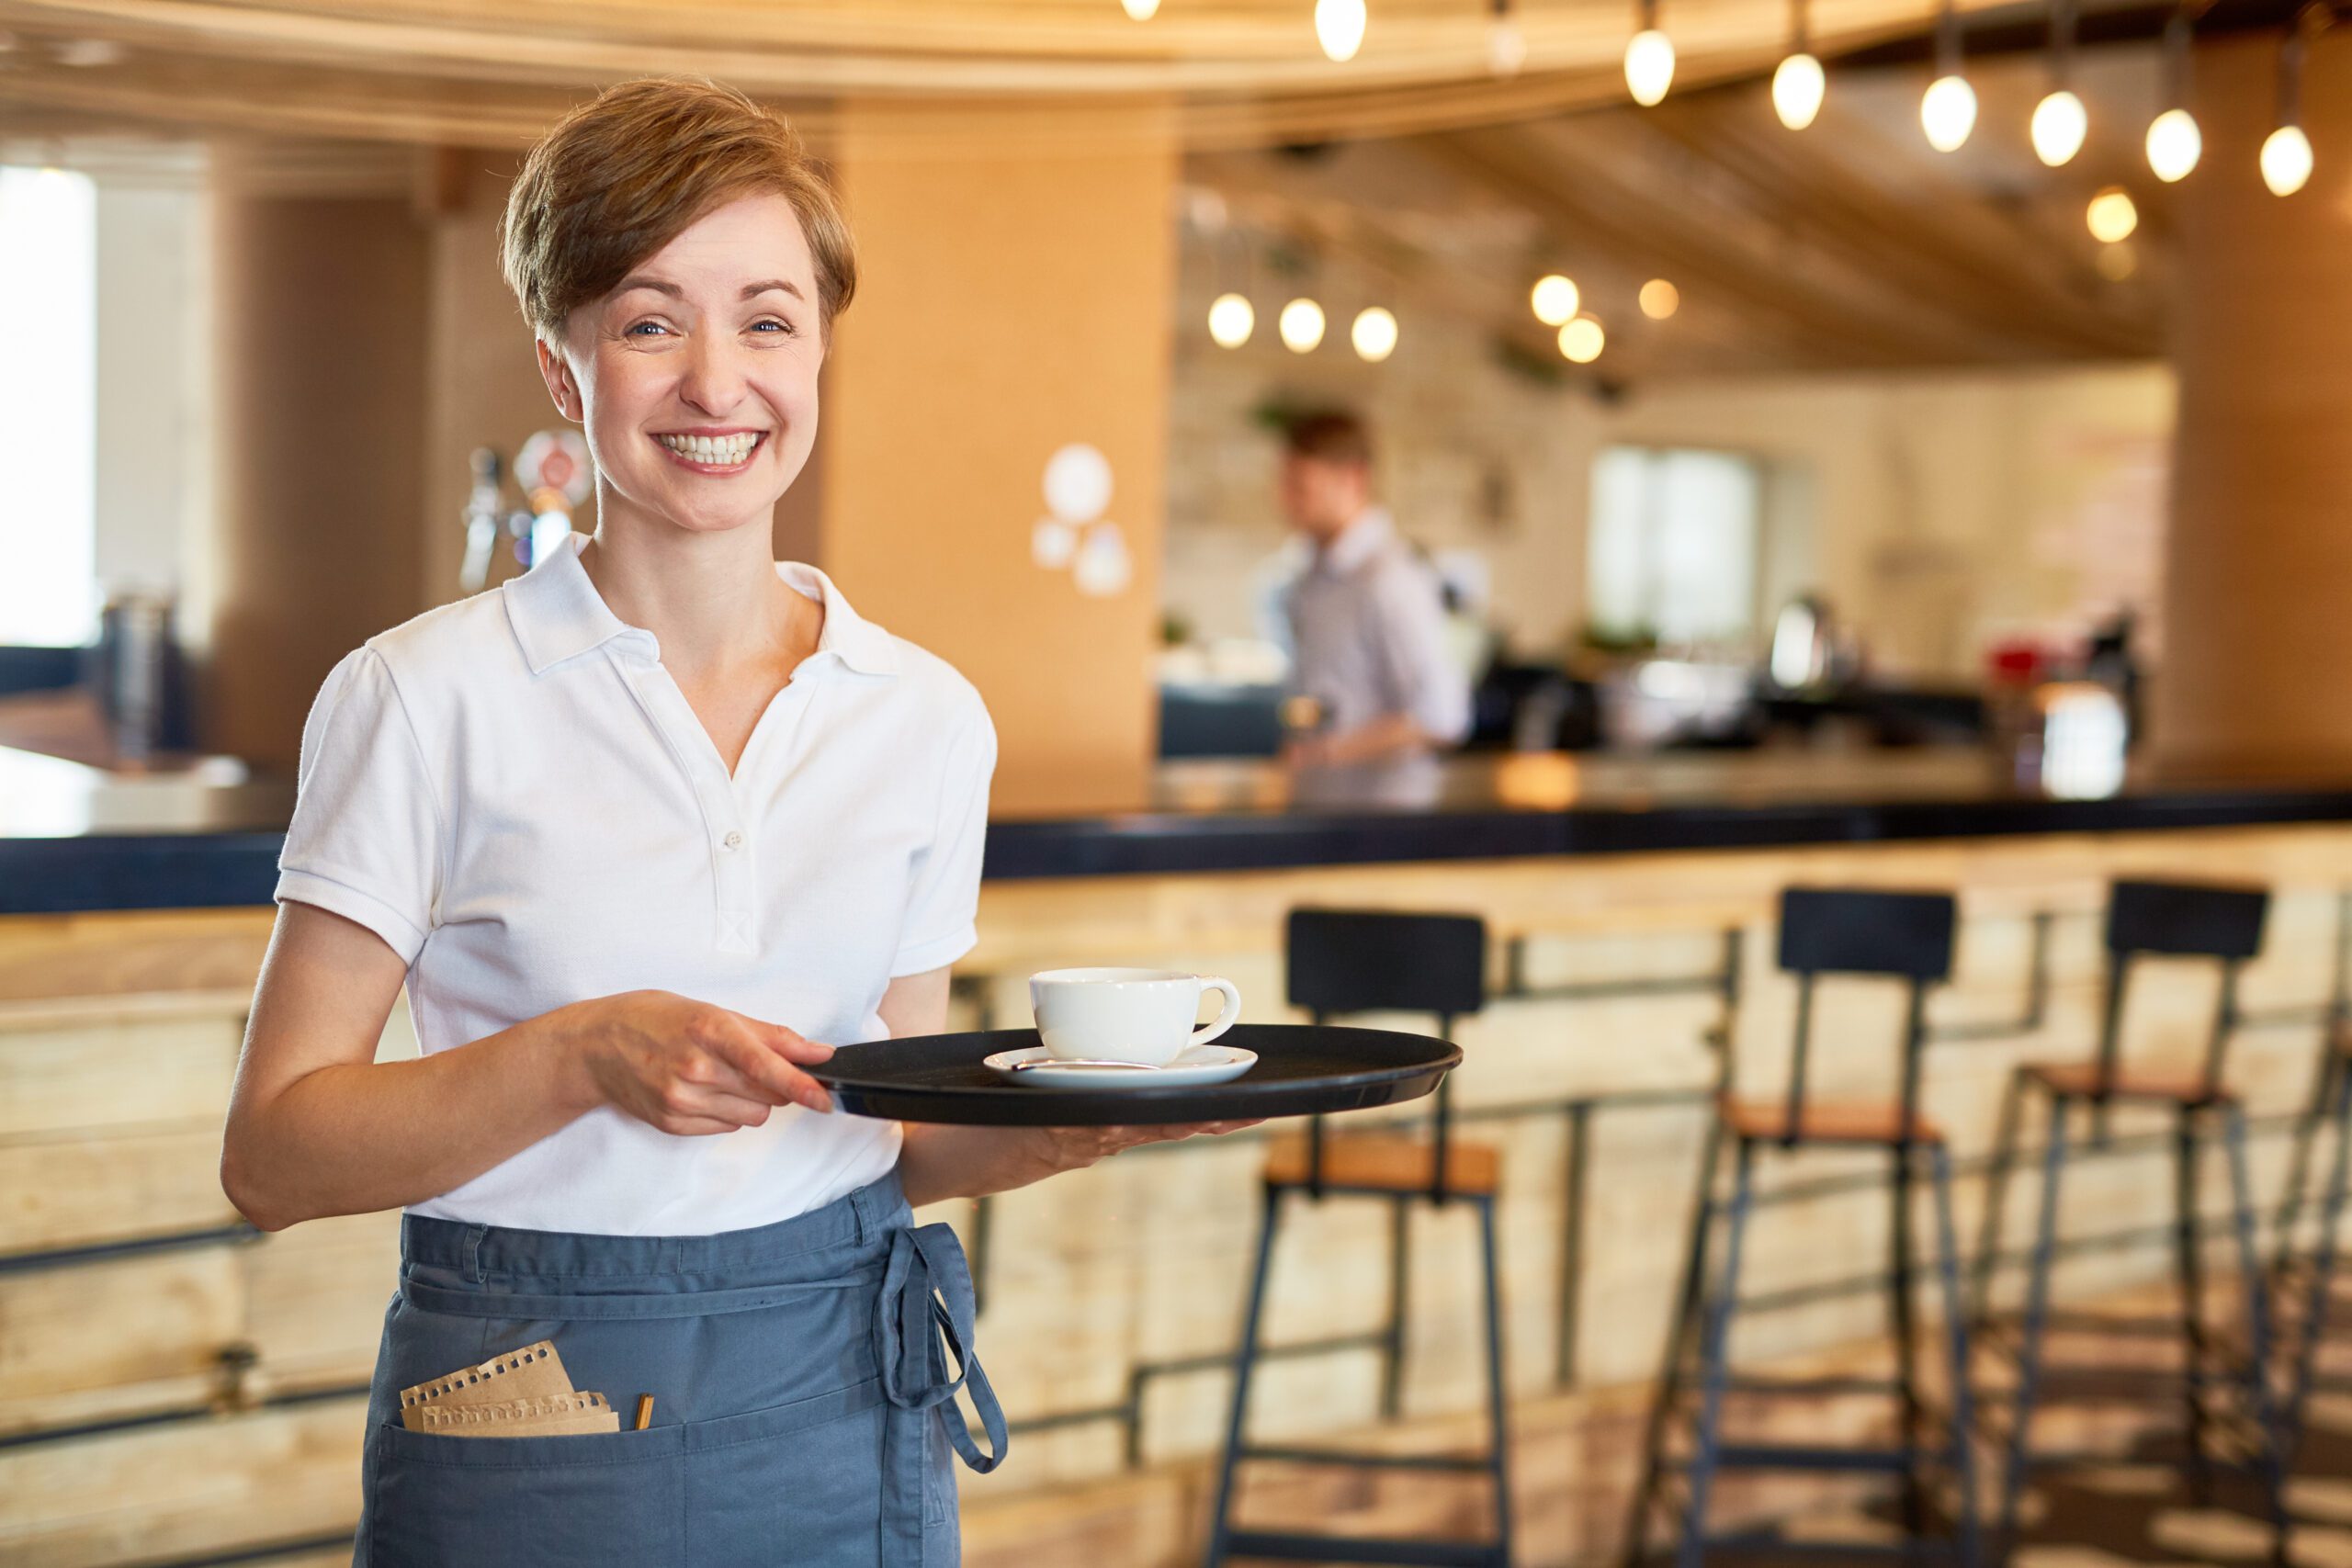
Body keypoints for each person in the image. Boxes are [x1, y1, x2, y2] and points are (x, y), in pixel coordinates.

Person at [217, 77, 1250, 1568]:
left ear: (820, 349)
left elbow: (882, 1137)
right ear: (563, 372)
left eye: (767, 319)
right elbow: (273, 1155)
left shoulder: (925, 717)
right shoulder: (419, 696)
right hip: (532, 1412)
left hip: (840, 1394)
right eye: (650, 320)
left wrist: (1055, 1128)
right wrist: (580, 1053)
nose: (717, 380)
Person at [1272, 412, 1473, 764]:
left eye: (1301, 487)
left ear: (1354, 479)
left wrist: (1330, 753)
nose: (1286, 501)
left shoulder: (1391, 579)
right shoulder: (1312, 577)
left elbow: (1442, 715)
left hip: (1376, 810)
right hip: (1322, 802)